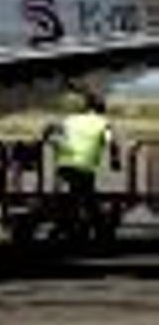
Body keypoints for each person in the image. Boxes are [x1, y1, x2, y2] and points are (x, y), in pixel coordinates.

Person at [48, 90, 114, 242]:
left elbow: (52, 133)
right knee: (87, 196)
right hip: (85, 167)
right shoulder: (103, 123)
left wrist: (55, 145)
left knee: (78, 194)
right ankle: (90, 227)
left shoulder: (70, 120)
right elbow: (110, 142)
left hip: (64, 165)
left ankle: (70, 225)